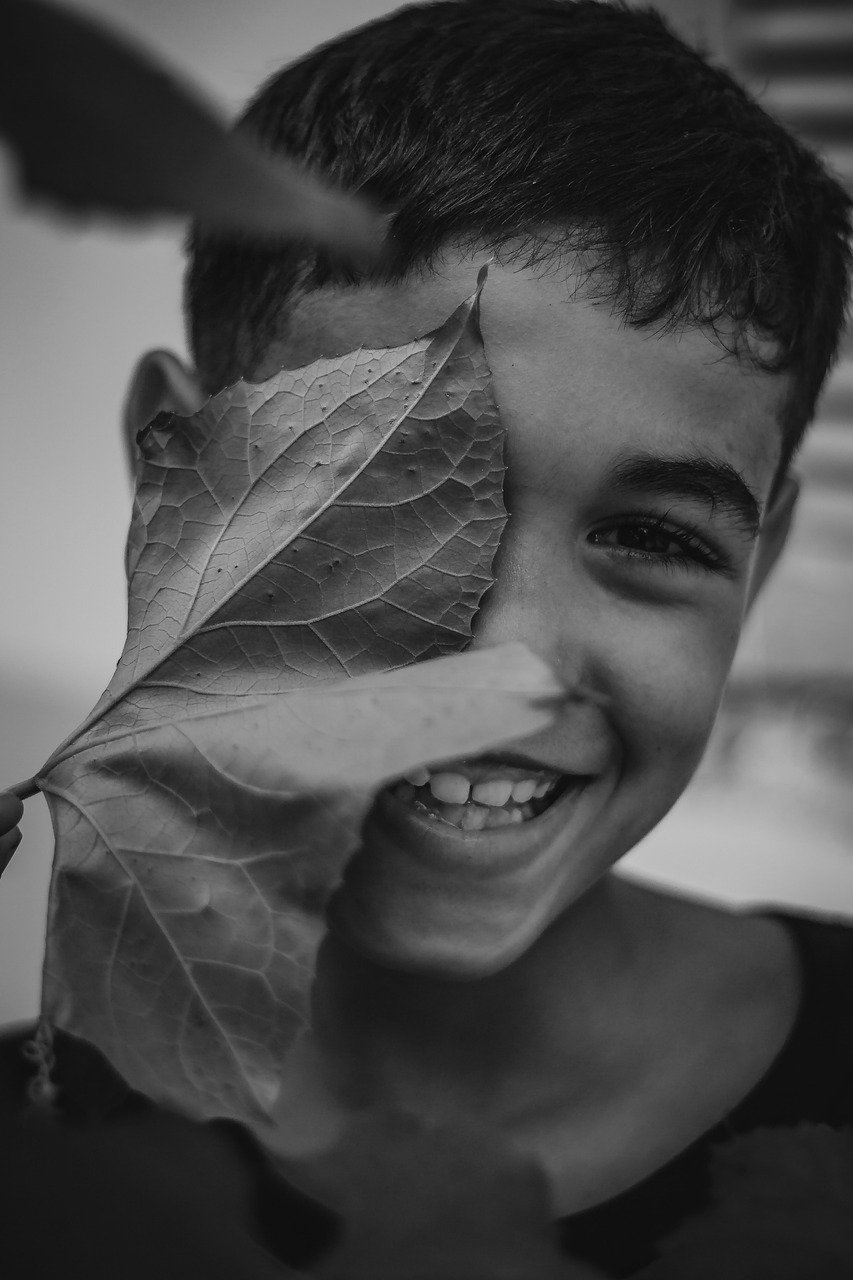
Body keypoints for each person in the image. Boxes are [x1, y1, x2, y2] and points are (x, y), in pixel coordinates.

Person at [2, 2, 852, 1275]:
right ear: (169, 472)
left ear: (760, 561)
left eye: (658, 540)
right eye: (377, 493)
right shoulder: (37, 1162)